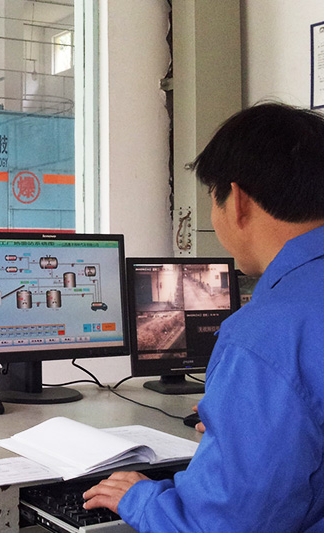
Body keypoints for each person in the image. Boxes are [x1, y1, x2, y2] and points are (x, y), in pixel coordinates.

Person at [83, 102, 324, 532]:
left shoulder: (265, 336)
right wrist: (239, 419)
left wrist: (140, 499)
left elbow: (222, 524)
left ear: (237, 201)